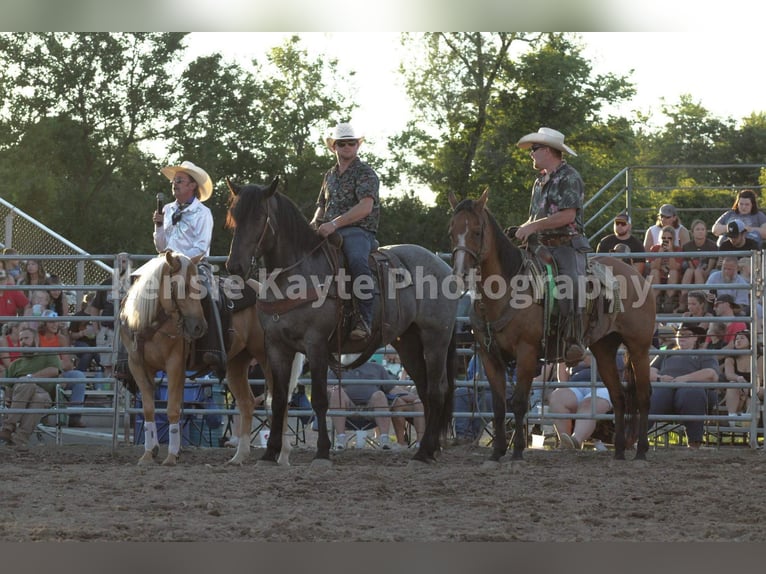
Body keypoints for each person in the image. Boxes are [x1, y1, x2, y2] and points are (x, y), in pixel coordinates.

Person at [515, 127, 589, 364]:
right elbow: (534, 217)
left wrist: (533, 227)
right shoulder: (539, 182)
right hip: (540, 246)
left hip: (566, 244)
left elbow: (568, 216)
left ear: (547, 150)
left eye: (534, 149)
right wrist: (522, 228)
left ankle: (573, 340)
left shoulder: (570, 177)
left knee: (568, 284)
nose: (531, 154)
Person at [311, 122, 380, 341]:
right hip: (328, 229)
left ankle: (364, 318)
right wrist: (312, 225)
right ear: (334, 147)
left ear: (358, 145)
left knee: (357, 261)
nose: (347, 147)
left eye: (352, 143)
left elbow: (365, 207)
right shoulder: (329, 175)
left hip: (359, 231)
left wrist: (335, 224)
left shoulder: (366, 173)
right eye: (342, 143)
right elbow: (322, 206)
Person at [152, 160, 222, 370]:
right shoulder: (167, 209)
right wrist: (158, 227)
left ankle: (213, 348)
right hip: (166, 264)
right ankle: (127, 354)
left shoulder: (203, 213)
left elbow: (201, 248)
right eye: (174, 181)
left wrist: (180, 264)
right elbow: (160, 246)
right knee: (133, 289)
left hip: (194, 265)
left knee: (207, 294)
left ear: (193, 186)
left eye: (180, 180)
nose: (175, 184)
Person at [649, 323, 719, 449]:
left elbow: (711, 374)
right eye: (679, 334)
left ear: (696, 337)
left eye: (686, 335)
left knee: (692, 392)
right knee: (657, 394)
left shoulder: (704, 354)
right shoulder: (666, 353)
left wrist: (685, 379)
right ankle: (633, 437)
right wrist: (660, 378)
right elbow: (649, 371)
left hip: (692, 389)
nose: (682, 337)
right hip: (666, 388)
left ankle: (694, 442)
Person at [0, 324, 62, 447]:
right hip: (20, 396)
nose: (23, 342)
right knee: (30, 391)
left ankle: (8, 428)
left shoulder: (48, 354)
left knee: (31, 387)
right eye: (21, 340)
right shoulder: (15, 364)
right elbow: (8, 387)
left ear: (36, 340)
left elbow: (55, 370)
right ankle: (19, 440)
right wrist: (7, 397)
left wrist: (30, 377)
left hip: (44, 394)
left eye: (26, 338)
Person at [551, 353, 624, 451]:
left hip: (605, 385)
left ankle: (575, 442)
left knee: (589, 404)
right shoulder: (578, 341)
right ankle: (565, 444)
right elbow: (563, 366)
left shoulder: (613, 342)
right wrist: (564, 385)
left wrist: (585, 356)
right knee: (557, 397)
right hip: (576, 384)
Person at [327, 360, 395, 450]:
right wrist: (333, 389)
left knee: (380, 395)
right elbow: (327, 387)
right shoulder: (337, 367)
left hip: (371, 409)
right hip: (347, 409)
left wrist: (411, 396)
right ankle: (341, 439)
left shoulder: (377, 368)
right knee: (336, 392)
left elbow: (392, 389)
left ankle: (384, 439)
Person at [37, 310, 87, 428]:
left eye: (56, 322)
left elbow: (68, 364)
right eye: (51, 322)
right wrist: (56, 366)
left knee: (78, 376)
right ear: (44, 324)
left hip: (59, 373)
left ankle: (75, 417)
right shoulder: (37, 337)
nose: (55, 325)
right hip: (41, 374)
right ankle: (42, 416)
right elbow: (37, 362)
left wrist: (57, 370)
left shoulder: (61, 339)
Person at [721, 329, 763, 423]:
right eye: (736, 339)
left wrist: (748, 388)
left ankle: (747, 425)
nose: (738, 341)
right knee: (733, 384)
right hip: (738, 390)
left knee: (752, 398)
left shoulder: (760, 357)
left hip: (756, 388)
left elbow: (759, 378)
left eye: (742, 338)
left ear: (750, 341)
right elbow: (729, 375)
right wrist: (738, 378)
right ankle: (732, 418)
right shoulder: (730, 358)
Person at [678, 219, 717, 312]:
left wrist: (705, 271)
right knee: (690, 271)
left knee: (698, 272)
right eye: (698, 229)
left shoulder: (712, 245)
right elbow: (690, 264)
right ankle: (683, 302)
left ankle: (700, 301)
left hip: (706, 271)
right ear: (692, 232)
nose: (700, 232)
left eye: (703, 229)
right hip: (692, 271)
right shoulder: (687, 246)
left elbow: (710, 266)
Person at [595, 211, 645, 275]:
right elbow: (598, 264)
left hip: (628, 278)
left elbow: (638, 271)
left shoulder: (637, 245)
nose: (619, 225)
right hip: (607, 277)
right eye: (617, 223)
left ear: (629, 226)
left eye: (623, 223)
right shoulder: (604, 242)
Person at [648, 225, 683, 313]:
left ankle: (669, 302)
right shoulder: (655, 249)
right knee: (654, 271)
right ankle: (656, 301)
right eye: (663, 238)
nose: (666, 240)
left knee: (673, 272)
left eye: (669, 238)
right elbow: (653, 267)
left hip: (672, 279)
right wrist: (660, 252)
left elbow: (675, 267)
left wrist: (670, 251)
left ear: (673, 239)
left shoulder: (678, 250)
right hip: (658, 277)